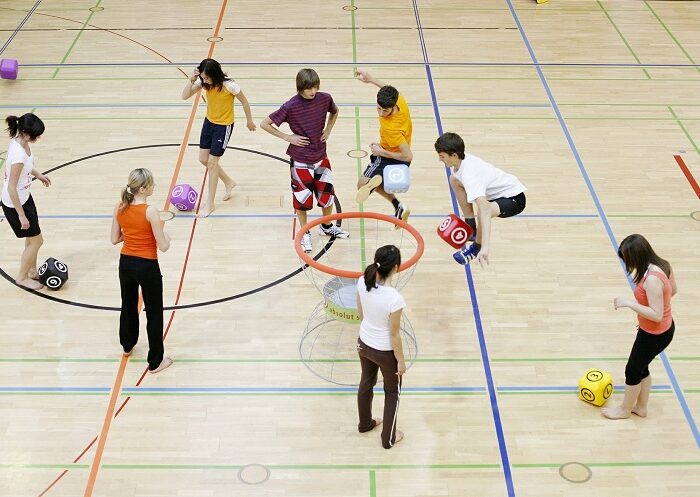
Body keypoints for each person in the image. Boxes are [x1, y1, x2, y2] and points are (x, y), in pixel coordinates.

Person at [260, 68, 348, 253]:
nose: (313, 91)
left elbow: (335, 112)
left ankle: (326, 227)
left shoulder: (325, 98)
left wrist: (328, 130)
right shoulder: (290, 106)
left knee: (327, 195)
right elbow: (264, 123)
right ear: (300, 88)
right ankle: (304, 233)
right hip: (300, 160)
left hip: (321, 157)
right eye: (309, 88)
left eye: (315, 87)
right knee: (301, 200)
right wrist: (287, 137)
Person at [602, 234, 677, 419]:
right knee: (642, 366)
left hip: (654, 334)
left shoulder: (651, 279)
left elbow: (657, 315)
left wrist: (629, 303)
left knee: (633, 370)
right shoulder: (663, 265)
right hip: (660, 330)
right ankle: (641, 407)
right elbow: (673, 290)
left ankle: (624, 410)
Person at [111, 168, 173, 374]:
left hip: (126, 263)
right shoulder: (150, 211)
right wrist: (168, 238)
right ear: (144, 188)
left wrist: (130, 234)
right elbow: (162, 246)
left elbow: (114, 239)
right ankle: (156, 361)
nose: (155, 186)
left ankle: (127, 344)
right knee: (154, 312)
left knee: (128, 305)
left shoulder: (120, 207)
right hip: (147, 266)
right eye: (153, 184)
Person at [434, 132, 526, 266]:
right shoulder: (461, 161)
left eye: (442, 156)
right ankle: (471, 227)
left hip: (514, 199)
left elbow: (486, 210)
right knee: (454, 179)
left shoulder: (470, 176)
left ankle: (475, 249)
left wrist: (485, 248)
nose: (440, 160)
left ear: (454, 155)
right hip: (500, 194)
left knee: (483, 212)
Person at [182, 58, 256, 217]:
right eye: (203, 77)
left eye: (207, 77)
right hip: (209, 123)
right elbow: (185, 96)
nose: (205, 80)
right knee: (203, 159)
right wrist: (192, 80)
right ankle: (229, 182)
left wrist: (249, 121)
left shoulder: (229, 85)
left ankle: (210, 204)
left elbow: (244, 102)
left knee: (212, 163)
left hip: (224, 127)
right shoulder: (204, 83)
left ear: (215, 74)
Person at [356, 245, 406, 449]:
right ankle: (388, 439)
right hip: (385, 352)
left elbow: (360, 315)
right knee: (392, 392)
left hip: (363, 343)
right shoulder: (394, 298)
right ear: (396, 267)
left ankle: (365, 424)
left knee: (366, 382)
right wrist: (401, 361)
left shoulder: (362, 281)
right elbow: (394, 334)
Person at [355, 70, 412, 225]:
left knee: (361, 185)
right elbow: (389, 89)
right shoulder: (399, 99)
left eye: (385, 110)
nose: (381, 113)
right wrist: (371, 79)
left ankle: (378, 183)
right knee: (370, 183)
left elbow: (408, 157)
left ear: (393, 106)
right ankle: (398, 206)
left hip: (392, 156)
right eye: (378, 108)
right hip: (393, 152)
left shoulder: (392, 128)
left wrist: (382, 152)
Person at [1, 114, 51, 290]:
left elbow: (26, 167)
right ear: (25, 132)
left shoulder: (20, 141)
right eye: (35, 134)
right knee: (37, 241)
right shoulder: (18, 156)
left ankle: (31, 271)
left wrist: (38, 175)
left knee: (32, 239)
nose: (37, 138)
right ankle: (21, 277)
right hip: (16, 204)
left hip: (25, 198)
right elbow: (11, 188)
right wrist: (21, 215)